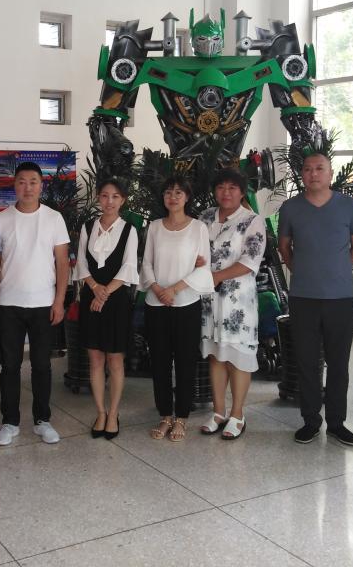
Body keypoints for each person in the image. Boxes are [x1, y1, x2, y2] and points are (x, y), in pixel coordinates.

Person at [278, 152, 353, 447]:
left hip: (340, 298)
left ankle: (337, 423)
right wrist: (302, 270)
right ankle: (310, 421)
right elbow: (285, 247)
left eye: (319, 168)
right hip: (303, 298)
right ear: (301, 174)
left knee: (339, 363)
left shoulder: (348, 206)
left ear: (330, 173)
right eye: (307, 169)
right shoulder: (290, 208)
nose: (313, 173)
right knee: (306, 362)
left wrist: (338, 267)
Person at [0, 162, 70, 446]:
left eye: (33, 181)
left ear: (41, 185)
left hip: (43, 304)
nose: (27, 187)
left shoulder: (54, 219)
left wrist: (59, 301)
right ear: (14, 185)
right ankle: (10, 422)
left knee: (42, 366)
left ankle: (42, 420)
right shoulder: (1, 220)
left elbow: (63, 263)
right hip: (8, 303)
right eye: (22, 181)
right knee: (10, 366)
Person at [140, 176, 213, 442]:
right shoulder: (154, 227)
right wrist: (158, 288)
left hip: (186, 303)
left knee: (185, 362)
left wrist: (174, 289)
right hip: (155, 303)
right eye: (168, 192)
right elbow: (146, 263)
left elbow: (203, 267)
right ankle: (165, 415)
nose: (173, 197)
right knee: (159, 362)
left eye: (178, 192)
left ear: (187, 197)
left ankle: (181, 417)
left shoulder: (198, 228)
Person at [198, 168, 266, 440]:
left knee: (238, 357)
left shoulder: (252, 220)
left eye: (232, 188)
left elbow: (250, 260)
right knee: (216, 355)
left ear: (241, 192)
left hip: (238, 302)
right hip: (208, 300)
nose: (226, 193)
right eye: (221, 187)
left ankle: (237, 414)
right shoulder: (204, 217)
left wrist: (216, 276)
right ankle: (218, 412)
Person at [75, 178, 139, 440]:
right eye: (104, 196)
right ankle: (100, 412)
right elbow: (81, 263)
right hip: (91, 297)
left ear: (122, 200)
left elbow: (128, 267)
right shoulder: (88, 227)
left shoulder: (129, 230)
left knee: (114, 359)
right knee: (95, 359)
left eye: (115, 196)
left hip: (116, 300)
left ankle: (113, 413)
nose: (109, 201)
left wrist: (104, 294)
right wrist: (94, 287)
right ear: (98, 198)